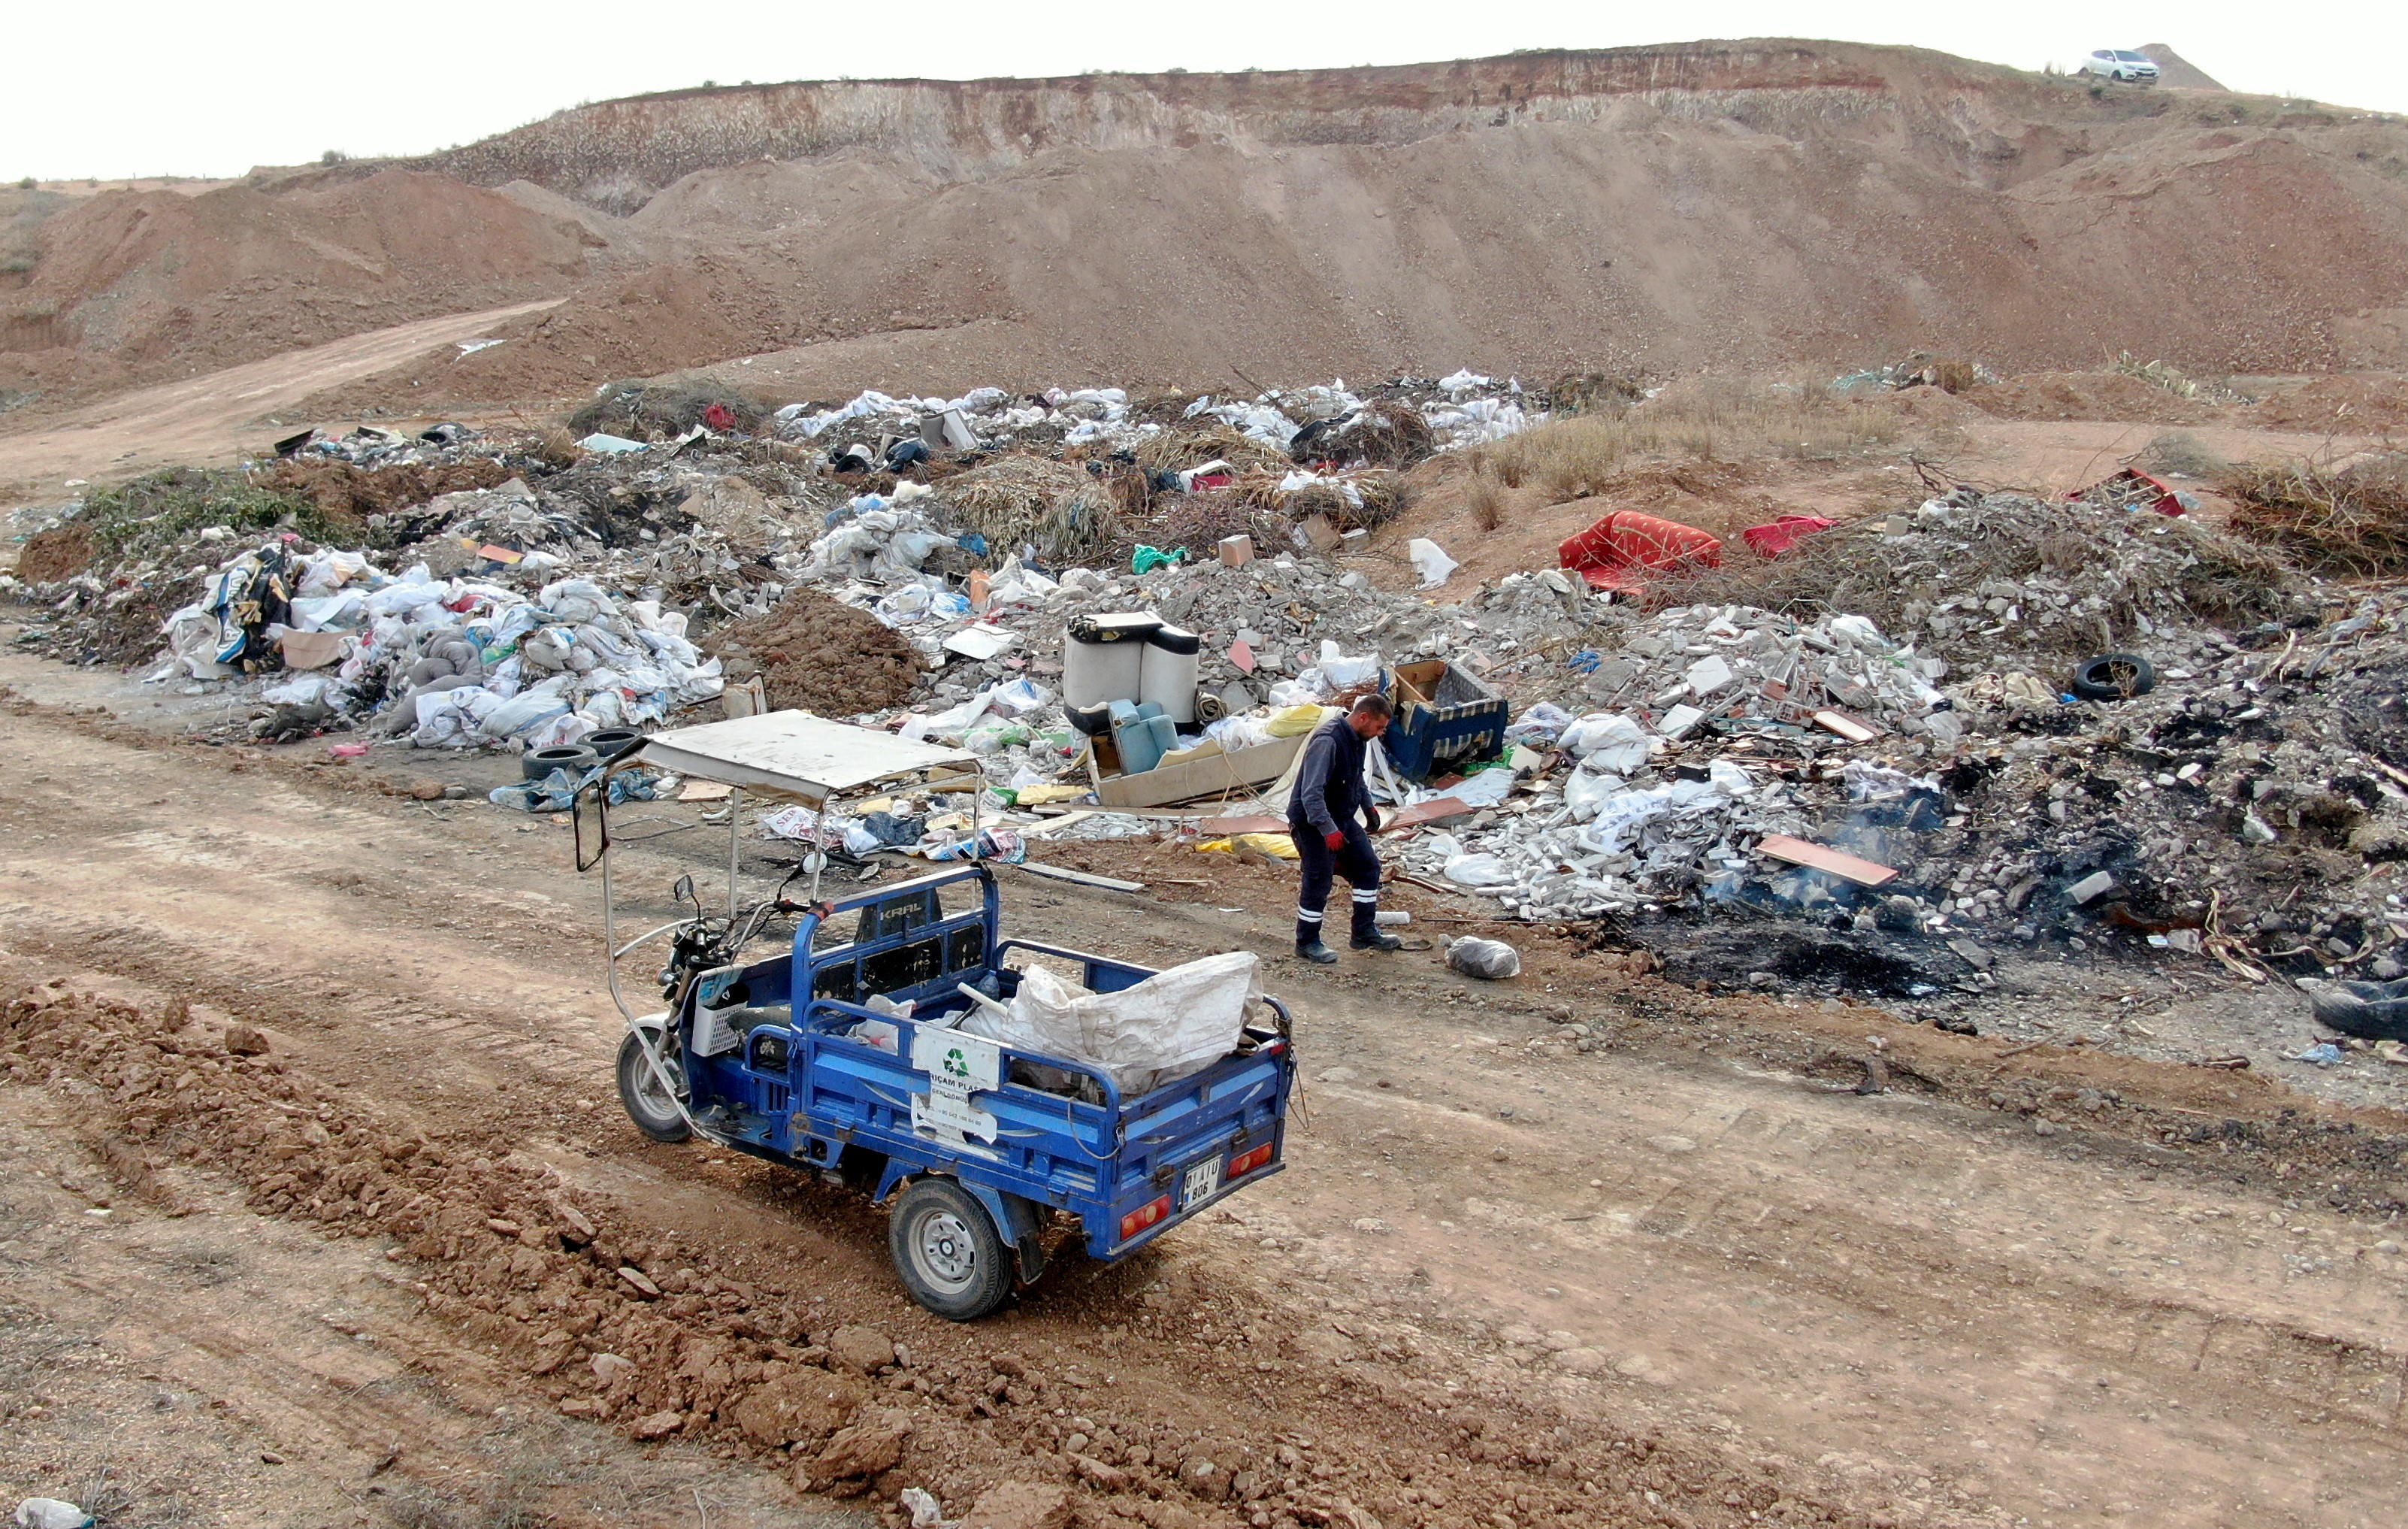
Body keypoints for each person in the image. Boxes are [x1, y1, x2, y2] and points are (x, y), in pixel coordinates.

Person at [1287, 693, 1402, 964]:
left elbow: (1356, 779)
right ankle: (1307, 942)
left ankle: (1363, 932)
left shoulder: (1358, 739)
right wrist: (1328, 830)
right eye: (1380, 727)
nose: (1381, 733)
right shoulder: (1327, 741)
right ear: (1364, 718)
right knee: (1319, 880)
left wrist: (1369, 808)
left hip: (1341, 818)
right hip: (1312, 822)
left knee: (1368, 867)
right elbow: (1311, 794)